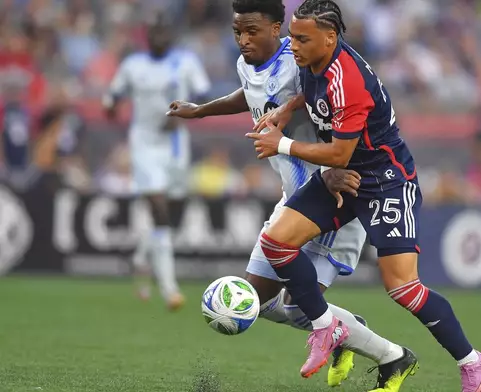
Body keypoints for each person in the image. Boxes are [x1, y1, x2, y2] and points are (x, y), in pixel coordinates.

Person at [165, 0, 413, 389]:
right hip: (292, 197)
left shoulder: (302, 61)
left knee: (302, 305)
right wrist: (200, 111)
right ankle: (343, 331)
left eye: (252, 31)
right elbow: (248, 94)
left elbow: (335, 110)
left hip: (329, 198)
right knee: (261, 301)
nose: (243, 40)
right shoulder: (246, 63)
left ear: (277, 28)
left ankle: (392, 357)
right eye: (237, 32)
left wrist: (334, 170)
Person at [247, 1, 481, 391]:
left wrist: (283, 143)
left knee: (403, 288)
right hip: (342, 179)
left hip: (385, 181)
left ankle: (472, 362)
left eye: (301, 38)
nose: (291, 44)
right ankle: (326, 327)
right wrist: (287, 109)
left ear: (330, 37)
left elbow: (339, 153)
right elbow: (313, 97)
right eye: (291, 36)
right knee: (276, 242)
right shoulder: (312, 59)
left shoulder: (349, 80)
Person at [103, 14, 212, 310]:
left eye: (164, 32)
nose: (159, 37)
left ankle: (141, 257)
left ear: (172, 36)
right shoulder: (133, 66)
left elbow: (204, 95)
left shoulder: (186, 62)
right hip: (145, 144)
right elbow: (112, 96)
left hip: (176, 146)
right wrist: (110, 107)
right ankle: (169, 288)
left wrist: (187, 113)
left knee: (173, 213)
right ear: (147, 36)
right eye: (154, 32)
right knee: (159, 210)